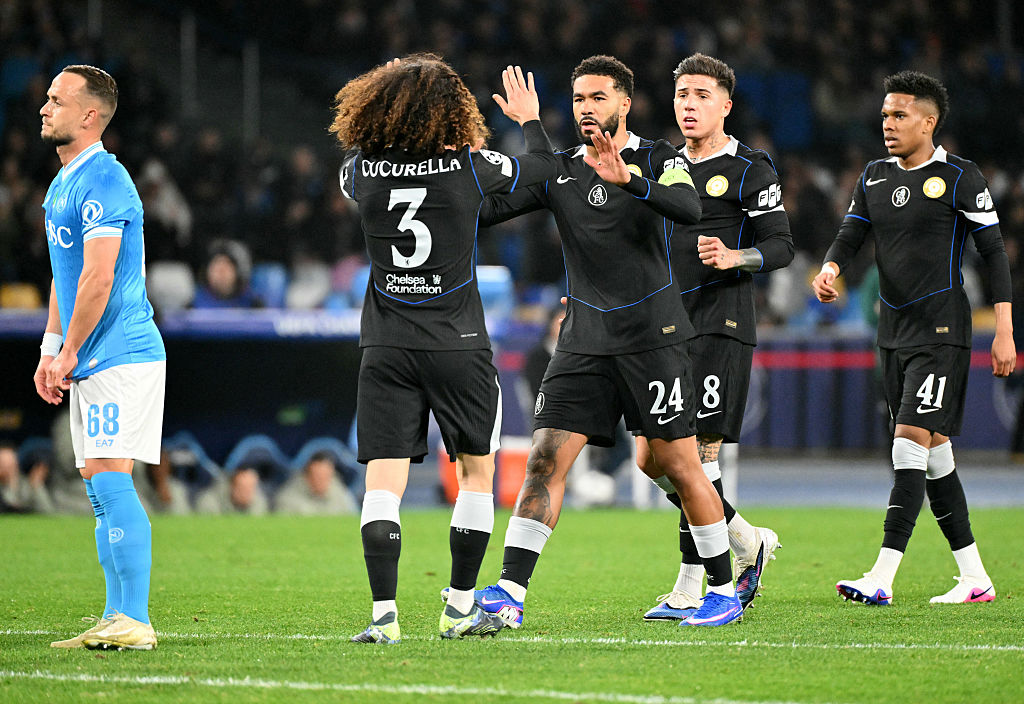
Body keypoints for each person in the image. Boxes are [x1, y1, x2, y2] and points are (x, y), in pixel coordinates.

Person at [462, 55, 742, 629]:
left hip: (653, 340)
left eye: (597, 98)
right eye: (579, 99)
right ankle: (510, 592)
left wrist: (631, 182)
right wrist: (447, 168)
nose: (586, 109)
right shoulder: (562, 168)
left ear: (624, 103)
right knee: (544, 459)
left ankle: (722, 591)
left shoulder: (659, 158)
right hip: (583, 342)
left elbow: (689, 209)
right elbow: (488, 209)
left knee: (679, 464)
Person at [331, 54, 558, 643]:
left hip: (386, 344)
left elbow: (356, 170)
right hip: (457, 344)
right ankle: (458, 606)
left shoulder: (360, 172)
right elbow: (542, 171)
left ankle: (383, 618)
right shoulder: (470, 167)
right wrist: (529, 121)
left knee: (383, 484)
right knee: (477, 476)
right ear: (452, 111)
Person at [812, 71, 1014, 606]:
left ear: (930, 121)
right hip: (893, 332)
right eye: (884, 115)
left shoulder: (959, 177)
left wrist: (1005, 331)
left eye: (900, 115)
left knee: (906, 444)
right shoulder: (874, 177)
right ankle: (975, 577)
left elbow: (994, 254)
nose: (888, 123)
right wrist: (830, 267)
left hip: (943, 331)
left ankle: (882, 575)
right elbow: (851, 233)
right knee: (936, 455)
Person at [638, 54, 794, 621]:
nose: (688, 104)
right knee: (650, 458)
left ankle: (690, 585)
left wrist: (736, 256)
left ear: (725, 105)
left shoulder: (751, 168)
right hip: (664, 326)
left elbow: (780, 245)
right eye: (681, 94)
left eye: (702, 95)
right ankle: (748, 539)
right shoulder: (661, 164)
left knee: (695, 456)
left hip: (720, 323)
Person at [35, 65, 165, 650]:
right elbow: (65, 280)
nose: (44, 107)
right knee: (96, 484)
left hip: (120, 353)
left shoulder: (107, 180)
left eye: (56, 100)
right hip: (91, 356)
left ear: (89, 115)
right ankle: (117, 615)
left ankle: (134, 619)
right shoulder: (63, 183)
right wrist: (49, 349)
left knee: (111, 479)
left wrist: (70, 351)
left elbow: (98, 278)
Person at [274, 451, 357, 515]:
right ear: (306, 476)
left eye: (326, 476)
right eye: (317, 476)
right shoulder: (287, 499)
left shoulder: (341, 495)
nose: (322, 481)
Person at [194, 465, 269, 516]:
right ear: (232, 486)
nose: (246, 493)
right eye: (242, 488)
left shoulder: (260, 503)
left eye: (250, 488)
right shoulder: (209, 503)